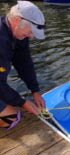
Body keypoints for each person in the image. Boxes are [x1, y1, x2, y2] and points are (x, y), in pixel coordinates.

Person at [0, 1, 46, 129]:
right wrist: (22, 102)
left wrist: (35, 90)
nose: (31, 37)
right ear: (17, 20)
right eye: (30, 32)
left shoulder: (19, 34)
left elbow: (24, 63)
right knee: (10, 118)